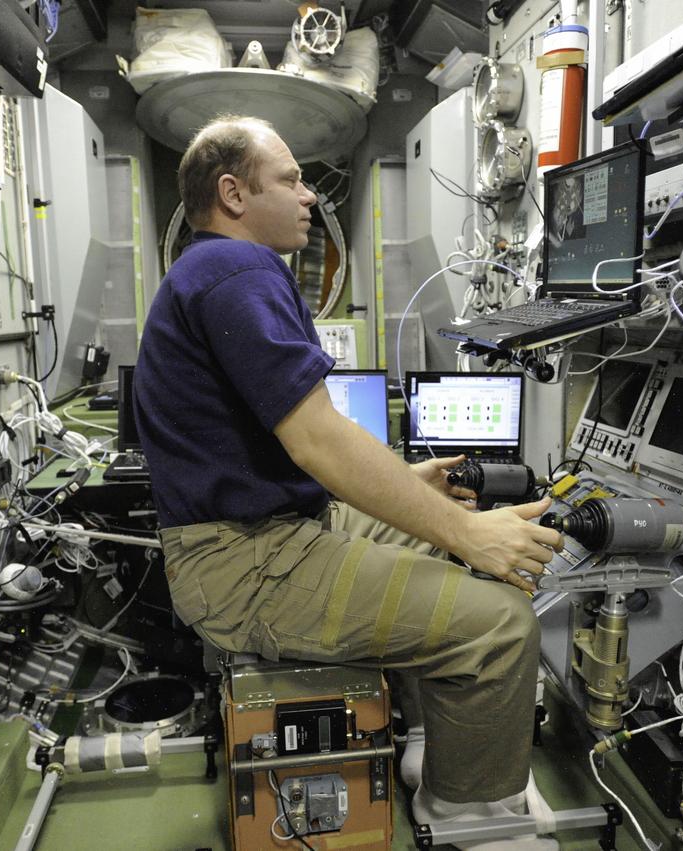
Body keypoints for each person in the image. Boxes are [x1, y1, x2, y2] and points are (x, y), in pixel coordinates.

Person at [133, 115, 565, 850]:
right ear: (233, 195)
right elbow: (318, 439)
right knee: (501, 626)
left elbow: (300, 440)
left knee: (428, 534)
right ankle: (464, 813)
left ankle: (430, 749)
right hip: (247, 564)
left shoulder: (213, 270)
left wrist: (411, 489)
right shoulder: (235, 271)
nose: (309, 196)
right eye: (291, 180)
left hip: (267, 534)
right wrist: (470, 532)